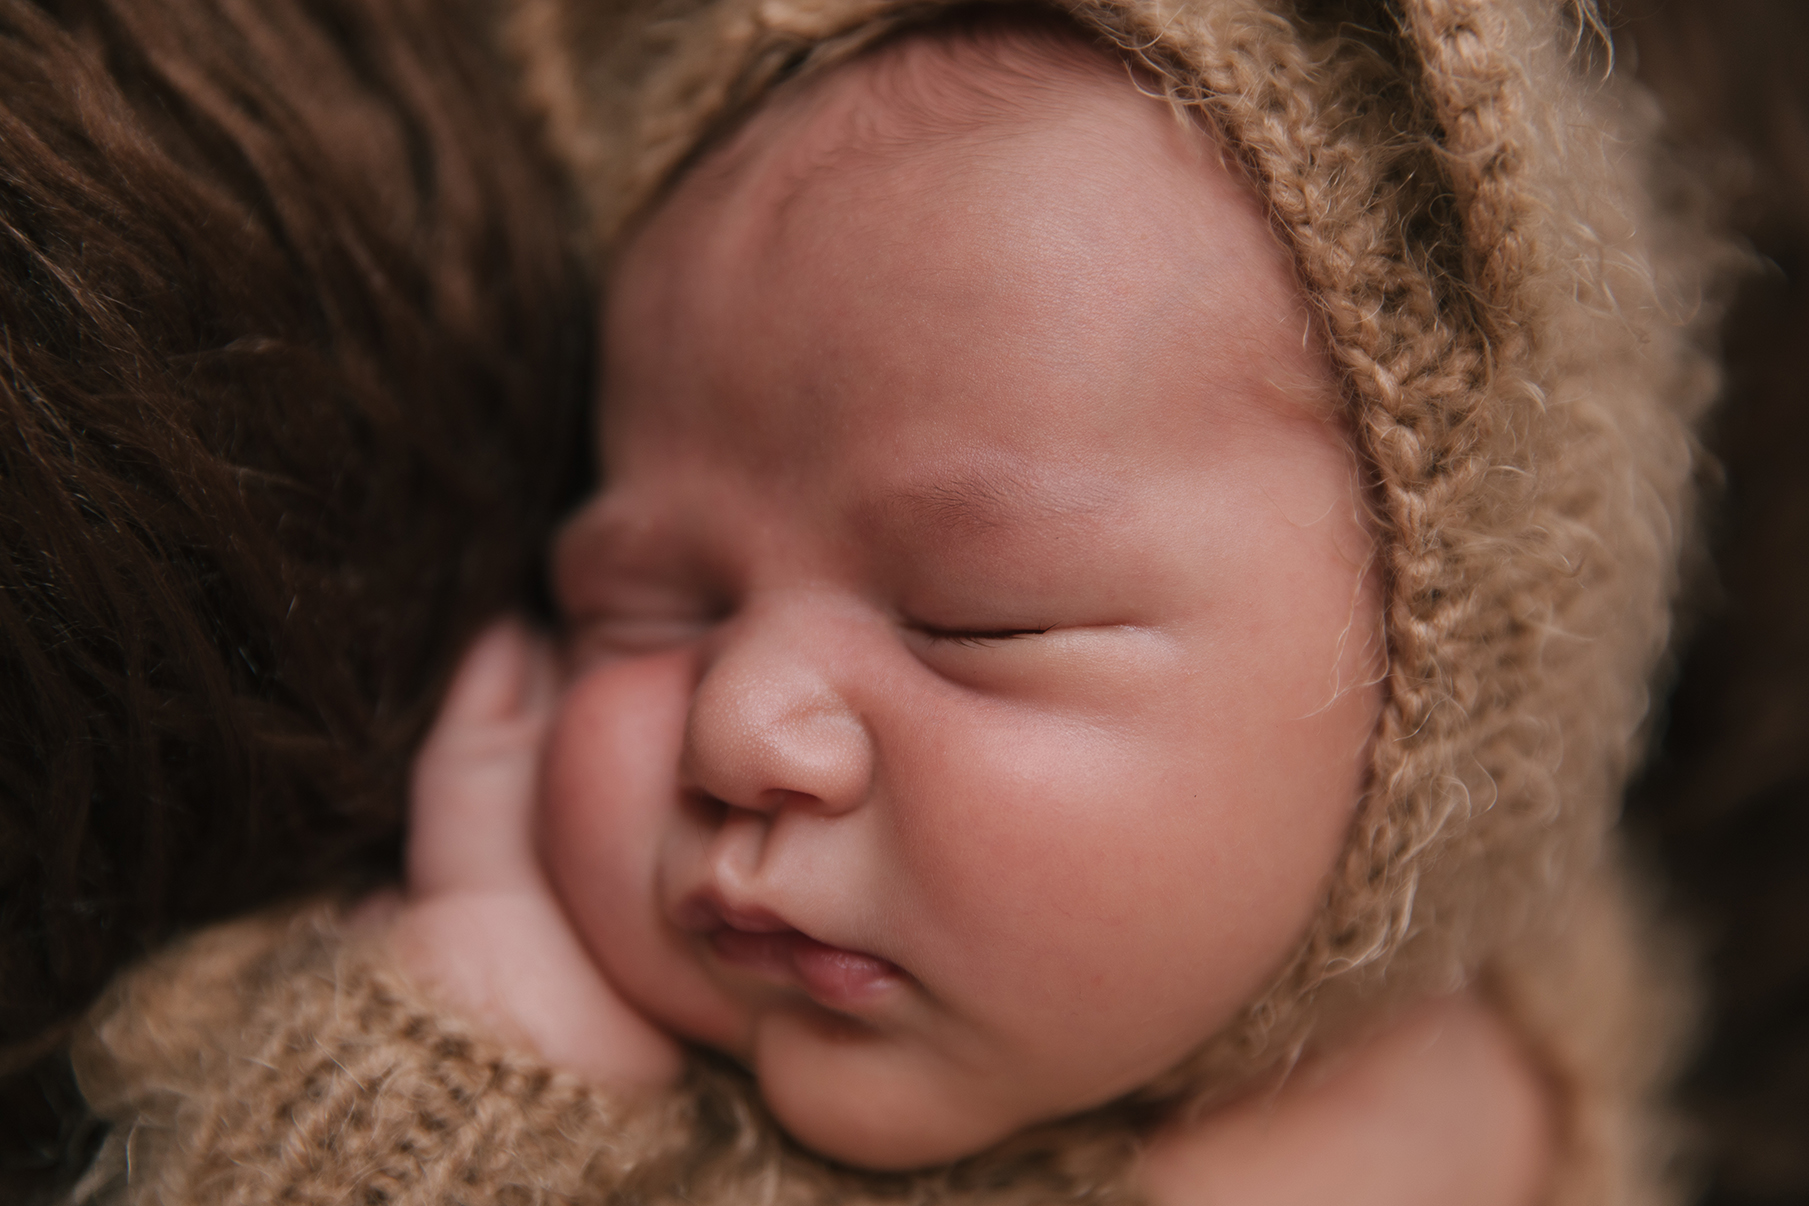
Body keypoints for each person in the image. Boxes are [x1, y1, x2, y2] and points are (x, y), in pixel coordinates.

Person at [63, 0, 1724, 1204]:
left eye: (972, 619)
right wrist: (471, 1058)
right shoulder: (447, 1012)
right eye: (649, 605)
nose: (737, 722)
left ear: (1433, 723)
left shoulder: (1494, 1093)